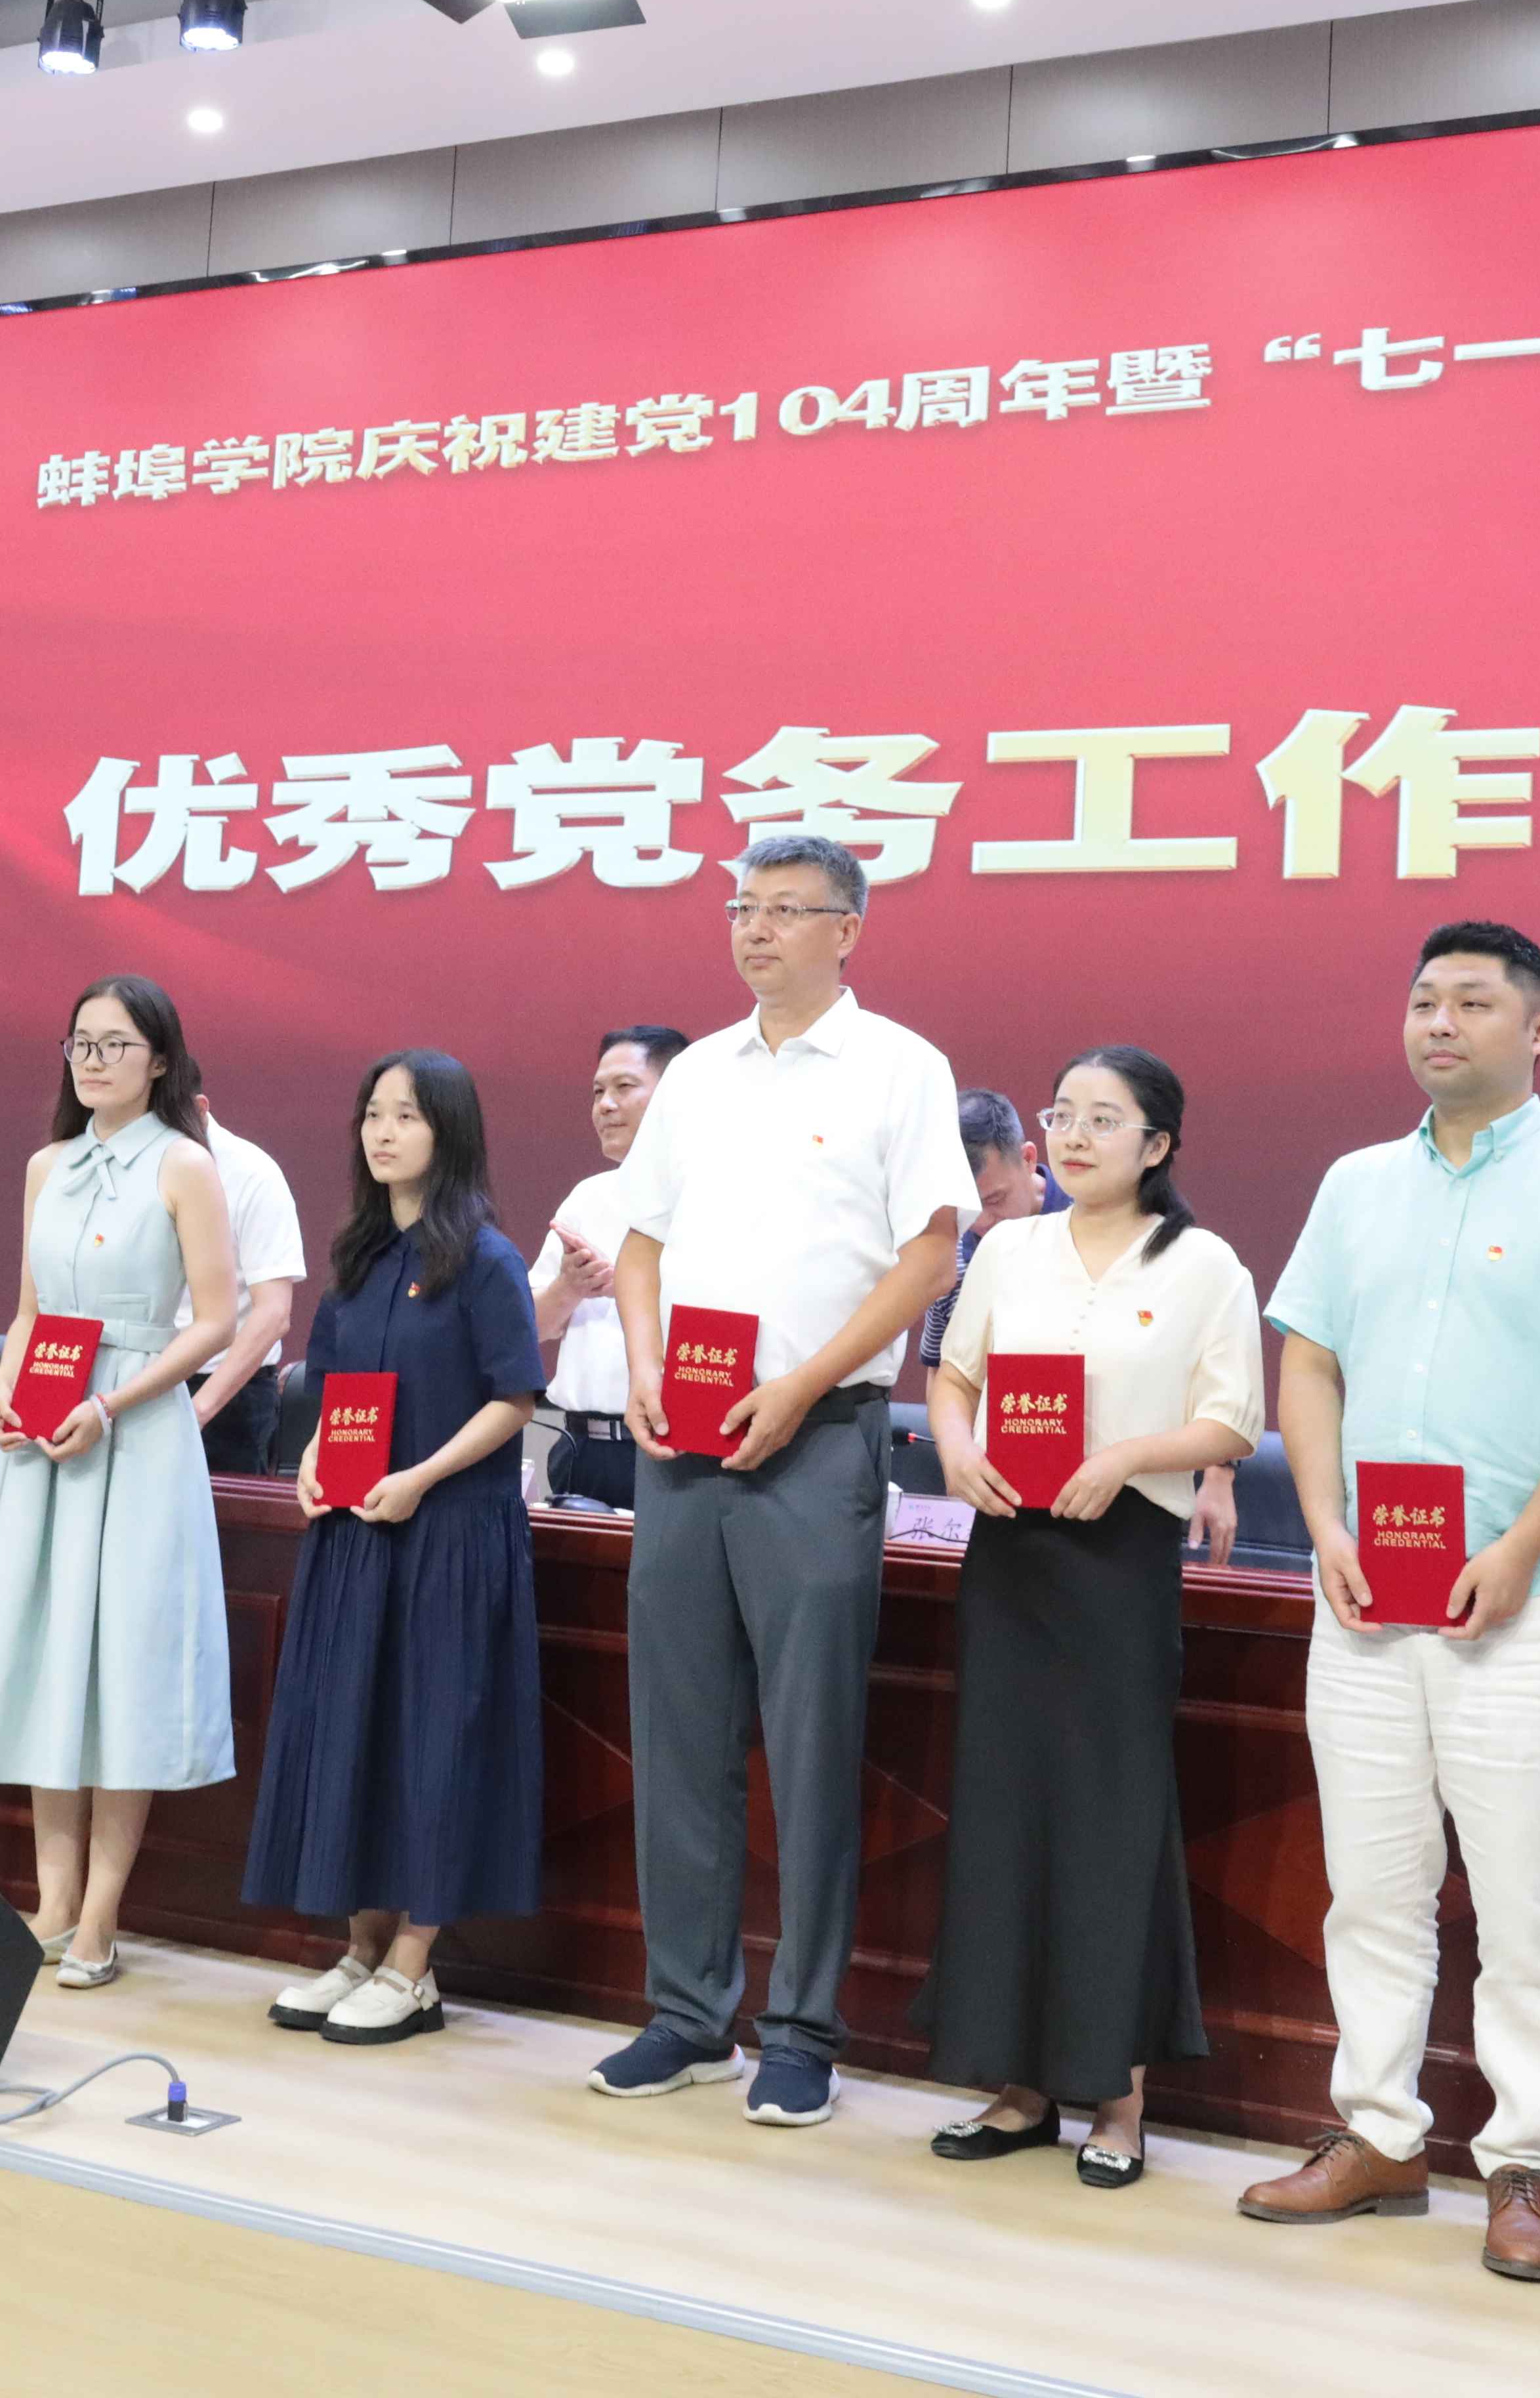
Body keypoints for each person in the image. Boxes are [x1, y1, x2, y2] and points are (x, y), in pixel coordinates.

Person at [1239, 922, 1540, 2284]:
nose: (1439, 1021)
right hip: (1370, 1597)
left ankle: (1523, 2164)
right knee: (1372, 1888)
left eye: (1473, 1002)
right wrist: (1323, 1524)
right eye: (1424, 999)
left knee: (1527, 1903)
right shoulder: (1356, 1184)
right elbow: (1308, 1360)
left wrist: (1526, 1544)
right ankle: (1378, 2135)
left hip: (1526, 1602)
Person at [595, 831, 975, 2128]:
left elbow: (930, 1256)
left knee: (811, 1739)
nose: (754, 929)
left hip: (817, 1433)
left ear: (847, 929)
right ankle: (687, 2012)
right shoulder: (699, 1072)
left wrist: (803, 1384)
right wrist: (643, 1364)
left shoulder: (899, 1067)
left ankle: (803, 2027)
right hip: (683, 1435)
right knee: (678, 1731)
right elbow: (641, 1243)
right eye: (742, 907)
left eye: (785, 910)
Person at [921, 1047, 1260, 2187]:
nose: (1072, 1135)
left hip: (1119, 1561)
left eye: (1103, 1120)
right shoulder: (1009, 1248)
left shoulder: (1203, 1263)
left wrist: (1125, 1457)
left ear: (1157, 1145)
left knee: (1110, 1818)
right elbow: (954, 1377)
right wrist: (956, 1448)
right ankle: (1018, 2090)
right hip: (1011, 1552)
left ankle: (1119, 2100)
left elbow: (1230, 1420)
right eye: (1062, 1114)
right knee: (1006, 1808)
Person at [0, 975, 241, 1984]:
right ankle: (52, 1902)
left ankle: (102, 1914)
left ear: (161, 1059)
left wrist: (110, 1404)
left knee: (123, 1676)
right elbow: (28, 1309)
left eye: (116, 1044)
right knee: (51, 1661)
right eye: (81, 1044)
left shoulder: (185, 1163)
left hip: (135, 1436)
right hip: (45, 1435)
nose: (94, 1061)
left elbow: (216, 1322)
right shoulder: (47, 1165)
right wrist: (7, 1391)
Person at [245, 1050, 546, 2046]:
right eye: (373, 1113)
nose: (383, 1132)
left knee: (434, 1743)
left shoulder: (486, 1261)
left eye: (407, 1116)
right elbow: (334, 1392)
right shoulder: (361, 1260)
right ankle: (361, 1948)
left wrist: (421, 1476)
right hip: (355, 1539)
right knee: (356, 1733)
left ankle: (415, 1965)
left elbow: (514, 1398)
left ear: (447, 1133)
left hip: (448, 1538)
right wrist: (313, 1459)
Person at [521, 1024, 683, 1511]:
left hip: (674, 1446)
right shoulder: (588, 1198)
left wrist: (633, 1288)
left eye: (624, 1087)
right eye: (597, 1092)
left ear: (677, 1093)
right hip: (582, 1449)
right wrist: (570, 1287)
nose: (605, 1105)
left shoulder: (711, 1197)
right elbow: (530, 1328)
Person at [897, 1089, 1068, 1495]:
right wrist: (955, 1459)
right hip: (990, 1473)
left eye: (996, 1200)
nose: (982, 1222)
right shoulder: (950, 1249)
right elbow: (940, 1368)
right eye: (967, 1207)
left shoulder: (1093, 1223)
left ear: (1028, 1158)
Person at [190, 1107, 310, 1478]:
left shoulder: (252, 1174)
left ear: (198, 1108)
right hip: (129, 1385)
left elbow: (273, 1314)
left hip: (224, 1392)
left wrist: (197, 1411)